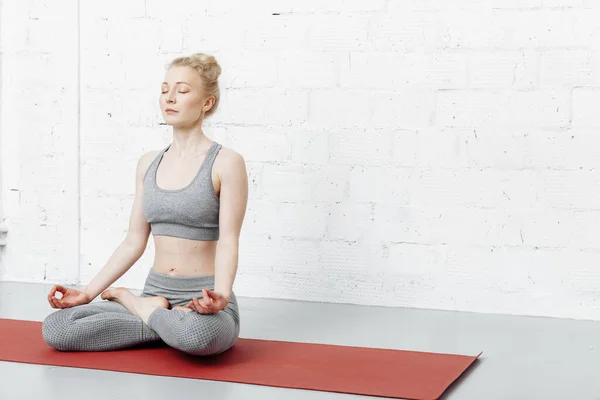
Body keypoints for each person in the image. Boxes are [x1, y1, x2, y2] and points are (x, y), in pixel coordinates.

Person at [41, 53, 248, 356]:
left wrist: (221, 294)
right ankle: (159, 316)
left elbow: (229, 239)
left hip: (202, 297)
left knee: (202, 337)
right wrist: (87, 293)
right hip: (156, 291)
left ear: (207, 103)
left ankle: (137, 306)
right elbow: (133, 241)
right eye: (165, 90)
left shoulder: (227, 163)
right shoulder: (148, 163)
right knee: (57, 328)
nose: (170, 98)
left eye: (182, 90)